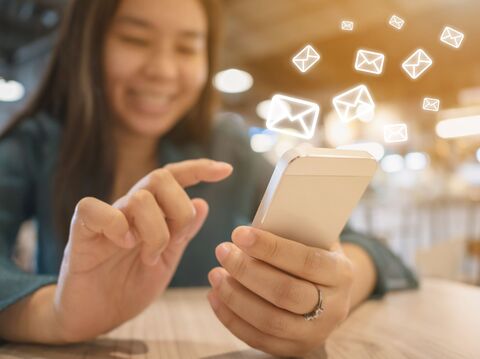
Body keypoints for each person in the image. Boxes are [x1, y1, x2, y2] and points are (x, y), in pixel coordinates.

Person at [0, 0, 418, 356]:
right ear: (86, 46)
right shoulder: (38, 141)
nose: (163, 70)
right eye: (135, 39)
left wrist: (332, 290)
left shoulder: (227, 145)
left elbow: (373, 252)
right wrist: (53, 314)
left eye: (187, 47)